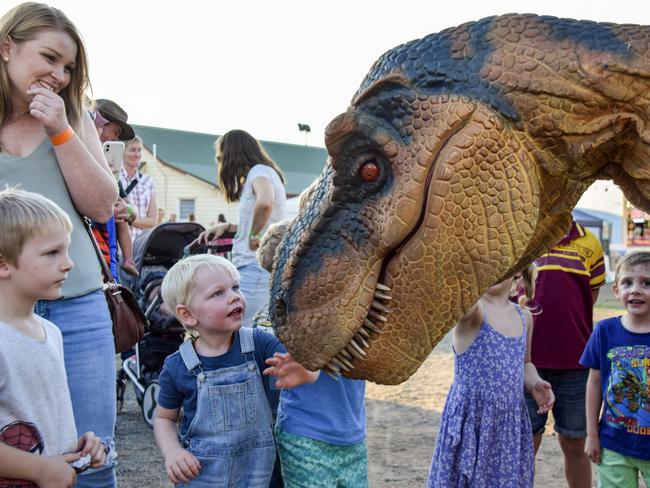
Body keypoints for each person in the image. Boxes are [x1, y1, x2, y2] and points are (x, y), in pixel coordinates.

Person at [0, 4, 119, 486]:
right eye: (49, 58)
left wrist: (61, 131)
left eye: (68, 68)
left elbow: (103, 205)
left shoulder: (72, 117)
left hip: (77, 307)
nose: (59, 75)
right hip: (3, 314)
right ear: (7, 48)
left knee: (92, 459)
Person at [153, 254, 318, 487]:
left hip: (261, 476)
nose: (234, 297)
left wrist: (306, 371)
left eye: (236, 287)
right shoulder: (178, 365)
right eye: (218, 293)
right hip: (203, 477)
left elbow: (302, 363)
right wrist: (172, 452)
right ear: (187, 314)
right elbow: (163, 418)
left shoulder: (260, 345)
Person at [0, 189, 106, 486]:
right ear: (3, 263)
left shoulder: (51, 333)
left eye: (67, 250)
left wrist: (76, 445)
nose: (69, 263)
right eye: (52, 253)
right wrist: (41, 470)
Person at [427, 264, 555, 487]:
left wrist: (534, 383)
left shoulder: (524, 317)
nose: (491, 270)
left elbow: (525, 363)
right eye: (485, 264)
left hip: (509, 423)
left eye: (500, 264)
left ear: (517, 269)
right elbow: (457, 303)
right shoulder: (474, 310)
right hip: (472, 422)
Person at [525, 220, 606, 488]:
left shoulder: (589, 243)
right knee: (524, 443)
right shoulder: (524, 234)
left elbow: (589, 296)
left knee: (574, 443)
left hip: (576, 365)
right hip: (526, 364)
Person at [199, 129, 287, 327]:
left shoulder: (259, 172)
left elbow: (265, 202)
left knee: (241, 328)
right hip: (256, 266)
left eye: (221, 154)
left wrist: (254, 235)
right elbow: (265, 216)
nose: (219, 159)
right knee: (252, 329)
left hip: (254, 267)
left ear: (233, 152)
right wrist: (229, 227)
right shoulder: (263, 172)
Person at [580, 251, 650, 487]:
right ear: (616, 290)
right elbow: (594, 383)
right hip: (613, 444)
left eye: (646, 283)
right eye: (627, 282)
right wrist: (591, 435)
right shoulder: (605, 331)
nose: (635, 289)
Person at [90, 98, 138, 278]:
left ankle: (128, 259)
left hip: (106, 250)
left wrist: (126, 209)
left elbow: (133, 214)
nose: (116, 139)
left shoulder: (111, 169)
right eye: (116, 133)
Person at [118, 135, 157, 240]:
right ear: (122, 152)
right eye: (132, 150)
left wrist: (130, 219)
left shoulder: (148, 182)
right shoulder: (114, 177)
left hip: (141, 247)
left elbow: (153, 221)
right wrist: (141, 221)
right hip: (117, 246)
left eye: (139, 150)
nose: (137, 154)